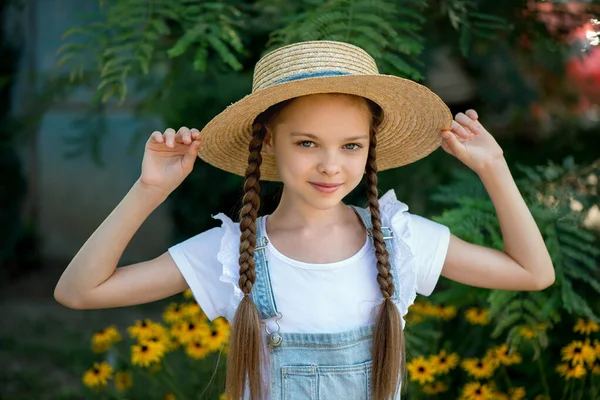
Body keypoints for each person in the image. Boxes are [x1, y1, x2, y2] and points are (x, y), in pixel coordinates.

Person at [54, 40, 555, 400]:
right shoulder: (232, 253)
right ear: (269, 142)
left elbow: (533, 273)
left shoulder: (400, 239)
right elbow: (79, 291)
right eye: (307, 143)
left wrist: (494, 167)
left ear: (370, 148)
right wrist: (149, 191)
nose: (331, 165)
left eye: (351, 145)